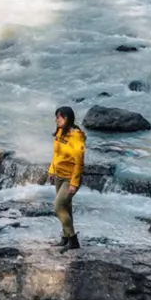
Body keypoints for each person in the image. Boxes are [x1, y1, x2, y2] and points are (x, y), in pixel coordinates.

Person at [49, 105, 85, 251]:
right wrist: (51, 171)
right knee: (66, 207)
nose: (56, 119)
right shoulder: (60, 132)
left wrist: (74, 183)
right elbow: (56, 154)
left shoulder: (76, 136)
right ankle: (65, 238)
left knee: (58, 206)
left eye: (59, 117)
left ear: (67, 118)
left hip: (70, 178)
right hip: (59, 176)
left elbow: (79, 161)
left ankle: (73, 239)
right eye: (56, 116)